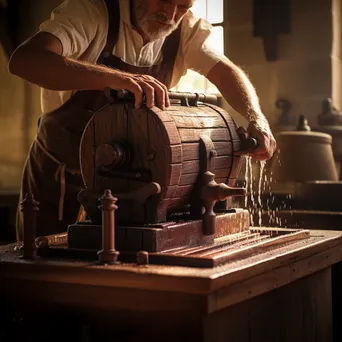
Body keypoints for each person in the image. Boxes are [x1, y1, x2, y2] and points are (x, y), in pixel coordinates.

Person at [8, 0, 276, 241]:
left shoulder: (186, 30)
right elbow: (25, 60)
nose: (170, 15)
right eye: (163, 0)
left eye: (183, 7)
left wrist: (256, 118)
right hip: (61, 179)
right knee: (45, 269)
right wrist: (115, 78)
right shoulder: (91, 11)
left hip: (131, 191)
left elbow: (225, 71)